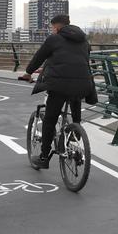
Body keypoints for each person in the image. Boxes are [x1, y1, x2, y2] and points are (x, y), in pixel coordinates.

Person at [19, 14, 93, 168]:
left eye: (52, 28)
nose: (52, 31)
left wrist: (29, 72)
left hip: (59, 85)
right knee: (74, 98)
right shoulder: (84, 40)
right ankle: (75, 130)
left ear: (58, 26)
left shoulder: (54, 39)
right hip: (83, 84)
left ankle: (44, 157)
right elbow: (71, 60)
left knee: (50, 119)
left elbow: (39, 56)